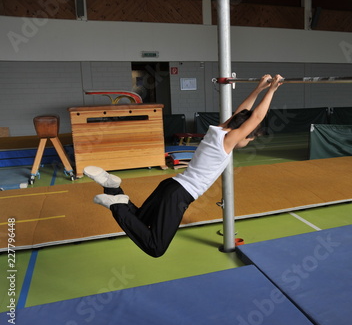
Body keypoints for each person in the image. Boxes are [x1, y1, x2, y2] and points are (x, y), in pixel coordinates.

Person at [84, 74, 283, 257]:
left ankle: (112, 188)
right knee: (155, 248)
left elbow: (243, 113)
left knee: (140, 222)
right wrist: (272, 89)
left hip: (170, 185)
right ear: (243, 132)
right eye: (249, 139)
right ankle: (116, 205)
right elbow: (256, 117)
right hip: (178, 195)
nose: (247, 142)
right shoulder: (228, 140)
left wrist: (259, 88)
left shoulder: (218, 130)